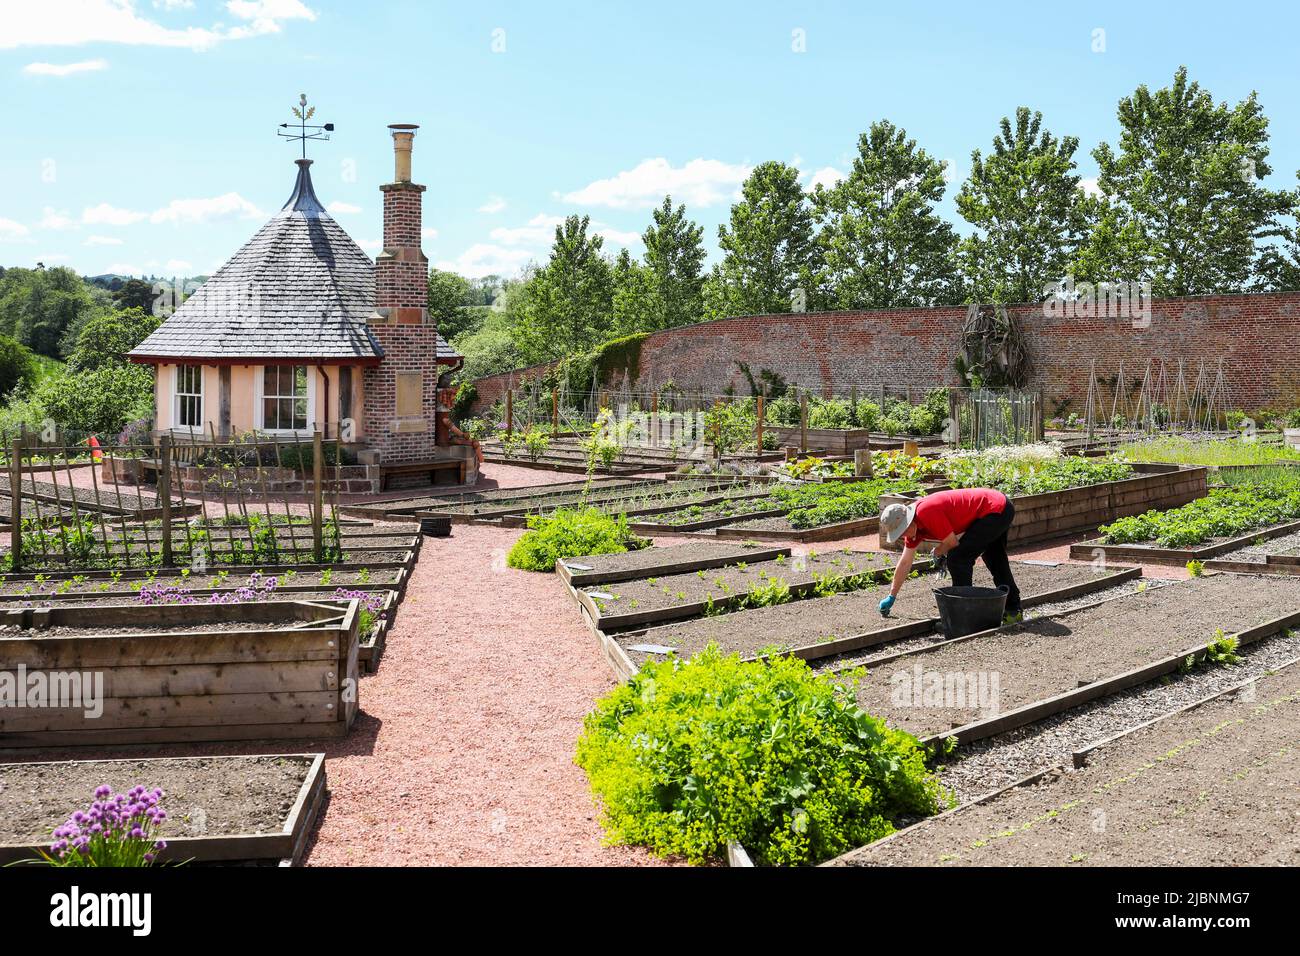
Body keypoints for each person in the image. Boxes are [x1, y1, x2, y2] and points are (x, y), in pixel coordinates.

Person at [877, 487, 1021, 618]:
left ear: (908, 521)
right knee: (994, 558)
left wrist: (938, 551)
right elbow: (905, 562)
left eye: (902, 531)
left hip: (994, 508)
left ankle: (964, 614)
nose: (903, 536)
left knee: (958, 559)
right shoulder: (914, 530)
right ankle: (1013, 609)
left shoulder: (926, 512)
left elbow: (952, 543)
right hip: (997, 507)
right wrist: (892, 596)